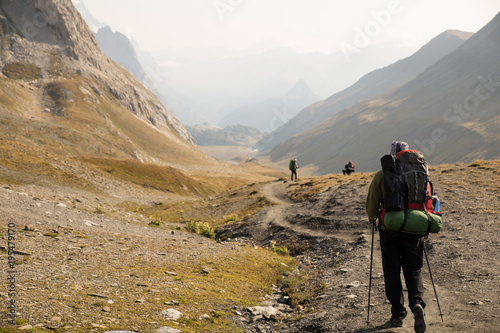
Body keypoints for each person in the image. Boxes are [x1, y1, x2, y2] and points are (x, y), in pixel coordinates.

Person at [366, 141, 426, 333]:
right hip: (415, 229)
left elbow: (372, 203)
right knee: (414, 268)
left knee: (392, 271)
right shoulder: (420, 173)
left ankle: (397, 314)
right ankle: (416, 302)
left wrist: (372, 218)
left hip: (389, 229)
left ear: (392, 154)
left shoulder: (382, 174)